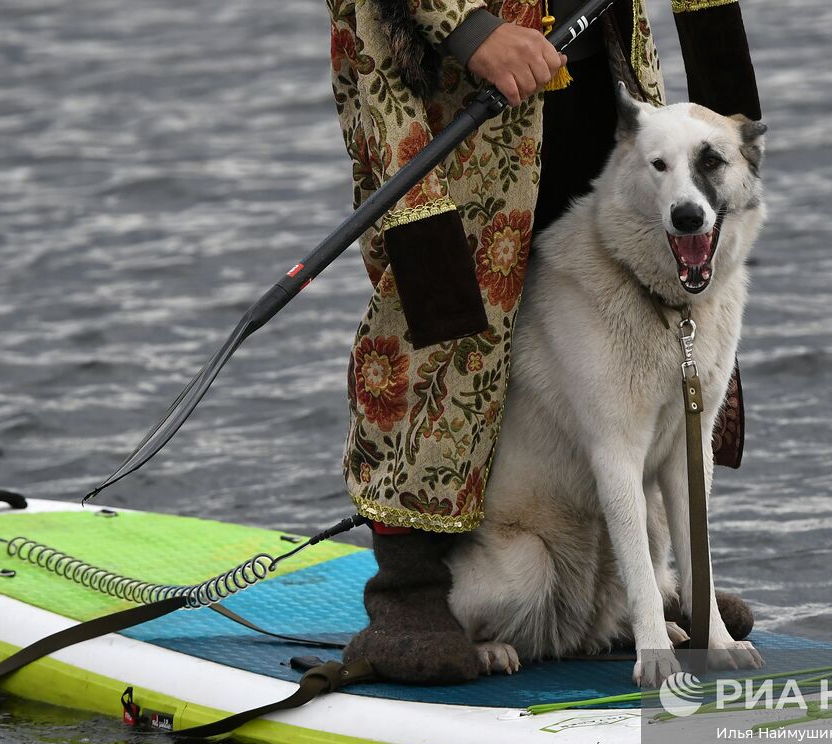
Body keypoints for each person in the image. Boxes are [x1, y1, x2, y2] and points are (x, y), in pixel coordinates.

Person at [325, 0, 761, 683]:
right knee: (442, 302)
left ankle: (634, 586)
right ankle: (410, 591)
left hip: (595, 56)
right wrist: (474, 33)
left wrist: (729, 101)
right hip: (438, 81)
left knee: (633, 297)